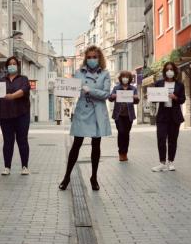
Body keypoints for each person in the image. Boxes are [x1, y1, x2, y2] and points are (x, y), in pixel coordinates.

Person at [59, 46, 111, 191]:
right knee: (76, 144)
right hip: (83, 111)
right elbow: (72, 90)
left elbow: (106, 94)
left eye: (95, 57)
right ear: (85, 59)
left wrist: (91, 90)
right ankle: (67, 176)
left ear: (99, 58)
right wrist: (64, 90)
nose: (92, 60)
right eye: (89, 57)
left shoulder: (105, 74)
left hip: (97, 113)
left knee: (96, 145)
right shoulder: (78, 73)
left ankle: (94, 177)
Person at [0, 56, 31, 176]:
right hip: (5, 115)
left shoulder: (23, 79)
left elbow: (24, 91)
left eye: (14, 64)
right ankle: (7, 167)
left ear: (18, 66)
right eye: (10, 64)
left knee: (22, 140)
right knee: (7, 141)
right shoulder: (1, 80)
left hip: (22, 114)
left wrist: (12, 96)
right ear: (6, 67)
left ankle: (25, 166)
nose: (12, 66)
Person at [151, 62, 186, 172]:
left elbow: (183, 99)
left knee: (172, 140)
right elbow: (154, 98)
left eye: (171, 69)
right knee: (161, 138)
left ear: (174, 71)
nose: (169, 71)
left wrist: (175, 97)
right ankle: (162, 162)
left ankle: (171, 161)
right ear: (165, 71)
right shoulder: (159, 83)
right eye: (167, 69)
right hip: (162, 114)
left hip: (174, 115)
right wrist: (152, 96)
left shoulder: (180, 85)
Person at [108, 70, 139, 162]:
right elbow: (110, 98)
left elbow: (137, 101)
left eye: (127, 77)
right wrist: (113, 96)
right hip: (119, 115)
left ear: (130, 79)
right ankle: (121, 152)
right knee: (121, 132)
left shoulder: (133, 89)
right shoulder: (116, 88)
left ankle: (125, 152)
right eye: (123, 77)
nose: (125, 79)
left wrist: (136, 98)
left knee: (126, 133)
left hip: (129, 115)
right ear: (120, 78)